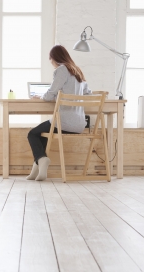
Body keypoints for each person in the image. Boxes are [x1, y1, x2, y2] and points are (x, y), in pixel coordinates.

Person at [26, 45, 92, 181]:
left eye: (51, 61)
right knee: (42, 134)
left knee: (32, 134)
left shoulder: (61, 70)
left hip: (64, 123)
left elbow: (50, 94)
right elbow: (88, 93)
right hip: (79, 125)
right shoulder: (77, 71)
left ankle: (42, 160)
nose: (52, 64)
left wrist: (41, 97)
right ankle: (37, 169)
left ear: (54, 59)